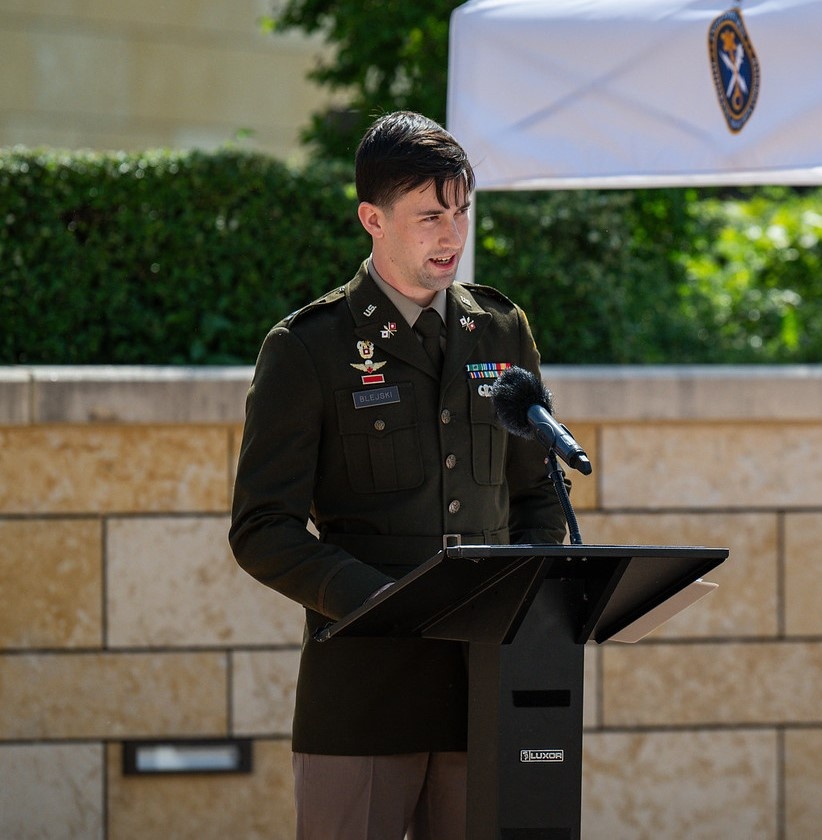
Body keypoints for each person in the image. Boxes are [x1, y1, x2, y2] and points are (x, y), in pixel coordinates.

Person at [229, 110, 568, 840]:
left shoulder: (501, 331)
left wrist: (531, 604)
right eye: (429, 216)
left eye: (461, 212)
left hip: (485, 691)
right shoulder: (309, 349)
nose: (451, 236)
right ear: (371, 219)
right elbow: (262, 529)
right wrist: (380, 601)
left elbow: (536, 491)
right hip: (364, 695)